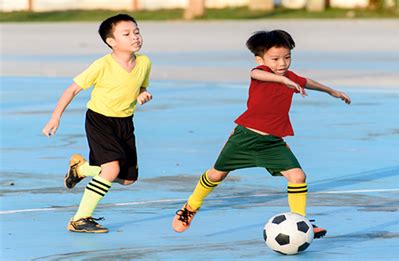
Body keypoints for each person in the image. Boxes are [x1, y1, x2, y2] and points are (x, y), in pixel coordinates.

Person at [172, 30, 351, 238]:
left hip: (272, 142)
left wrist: (332, 91)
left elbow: (307, 81)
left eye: (287, 57)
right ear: (261, 59)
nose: (282, 63)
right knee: (216, 174)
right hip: (245, 138)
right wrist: (283, 82)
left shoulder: (291, 77)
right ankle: (190, 207)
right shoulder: (261, 74)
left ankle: (299, 221)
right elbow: (255, 74)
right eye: (275, 59)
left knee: (298, 176)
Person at [42, 14, 152, 233]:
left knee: (128, 179)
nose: (135, 37)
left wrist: (142, 93)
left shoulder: (145, 62)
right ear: (111, 41)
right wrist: (55, 117)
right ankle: (80, 219)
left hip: (125, 122)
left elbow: (139, 86)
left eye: (137, 32)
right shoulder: (102, 65)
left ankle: (81, 169)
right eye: (127, 34)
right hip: (100, 121)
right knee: (111, 169)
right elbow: (72, 89)